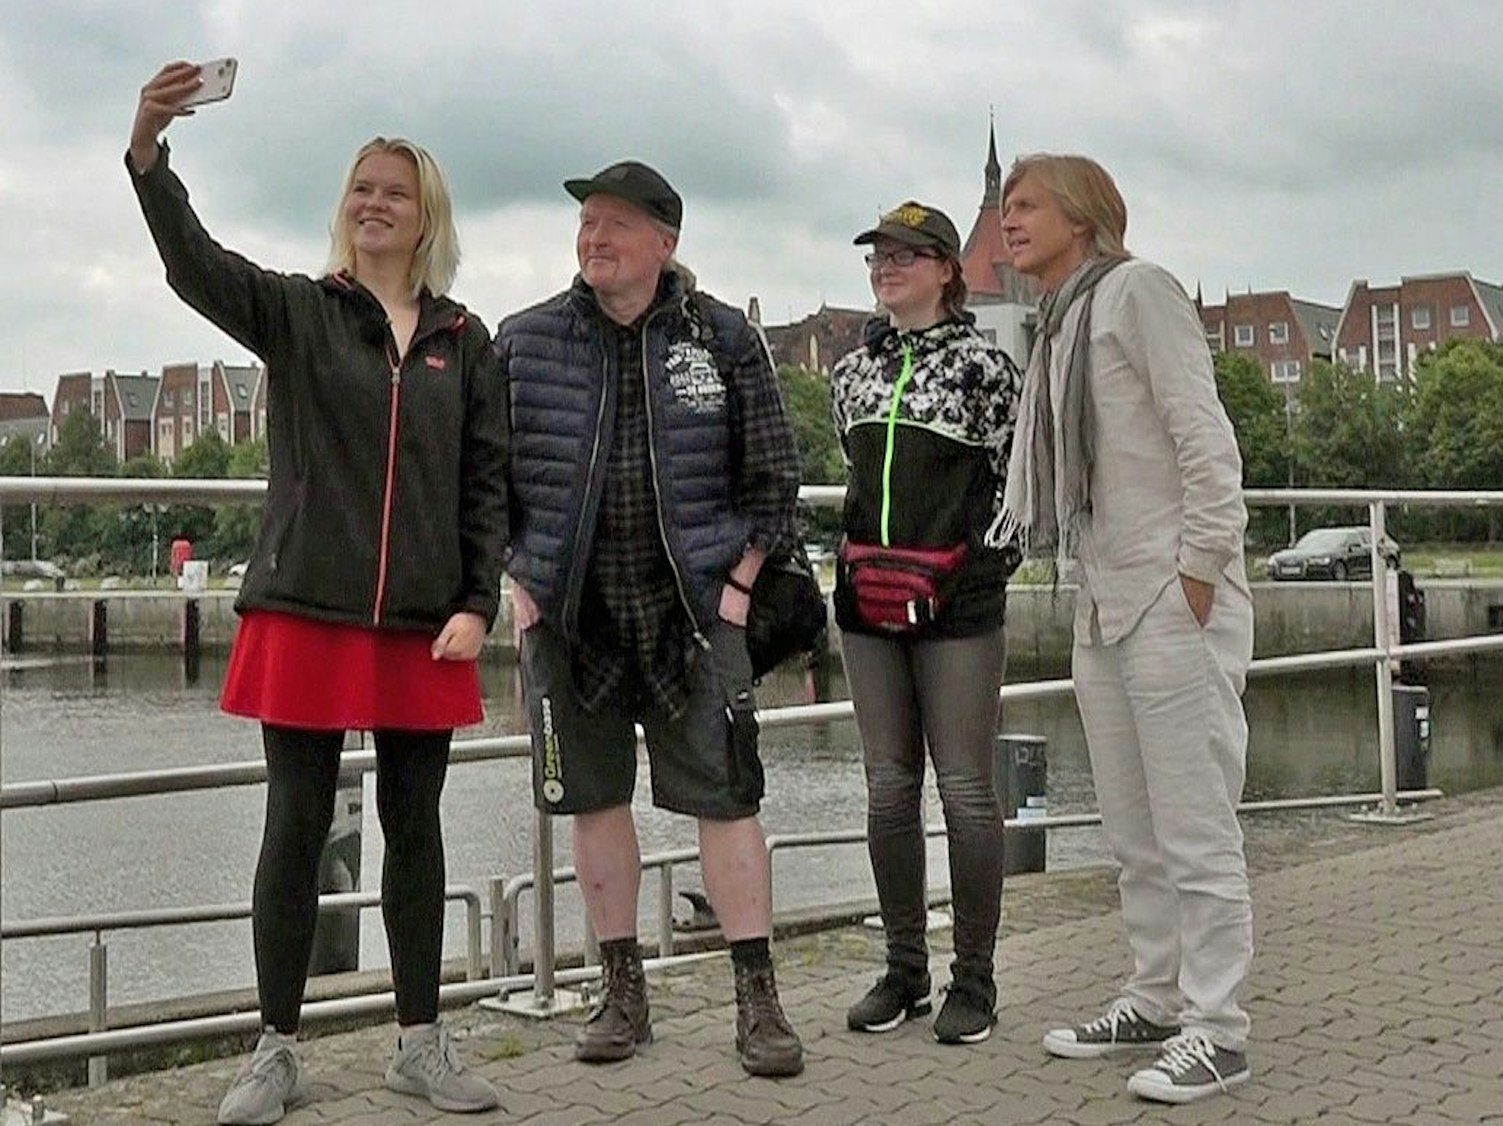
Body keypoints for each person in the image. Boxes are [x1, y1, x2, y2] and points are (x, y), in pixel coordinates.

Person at [128, 62, 507, 1123]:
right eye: (361, 188)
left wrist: (477, 599)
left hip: (425, 617)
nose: (374, 202)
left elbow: (489, 483)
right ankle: (275, 1047)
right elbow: (193, 263)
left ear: (425, 213)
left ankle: (419, 1041)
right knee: (293, 825)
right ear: (345, 211)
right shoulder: (299, 313)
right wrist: (151, 151)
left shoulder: (466, 341)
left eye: (395, 189)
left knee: (415, 825)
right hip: (305, 603)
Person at [495, 160, 805, 1077]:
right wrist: (519, 579)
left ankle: (757, 997)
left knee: (727, 800)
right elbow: (485, 480)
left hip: (694, 615)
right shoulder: (526, 341)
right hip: (572, 617)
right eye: (586, 224)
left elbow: (776, 485)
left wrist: (739, 586)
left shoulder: (725, 341)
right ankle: (620, 988)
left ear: (664, 243)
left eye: (615, 226)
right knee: (593, 802)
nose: (594, 239)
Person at [998, 153, 1254, 1104]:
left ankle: (1218, 1027)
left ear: (1082, 213)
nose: (1009, 220)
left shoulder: (1139, 292)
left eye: (1026, 205)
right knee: (1132, 829)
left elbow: (1203, 437)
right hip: (1102, 603)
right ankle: (1153, 996)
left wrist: (1197, 577)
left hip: (1165, 595)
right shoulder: (1058, 323)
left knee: (1194, 827)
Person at [829, 201, 1023, 1045]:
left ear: (947, 269)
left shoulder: (988, 369)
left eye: (905, 255)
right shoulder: (850, 374)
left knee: (968, 789)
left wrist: (974, 575)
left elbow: (1018, 492)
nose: (885, 268)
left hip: (959, 602)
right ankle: (903, 969)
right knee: (887, 785)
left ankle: (973, 980)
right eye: (877, 256)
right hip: (867, 602)